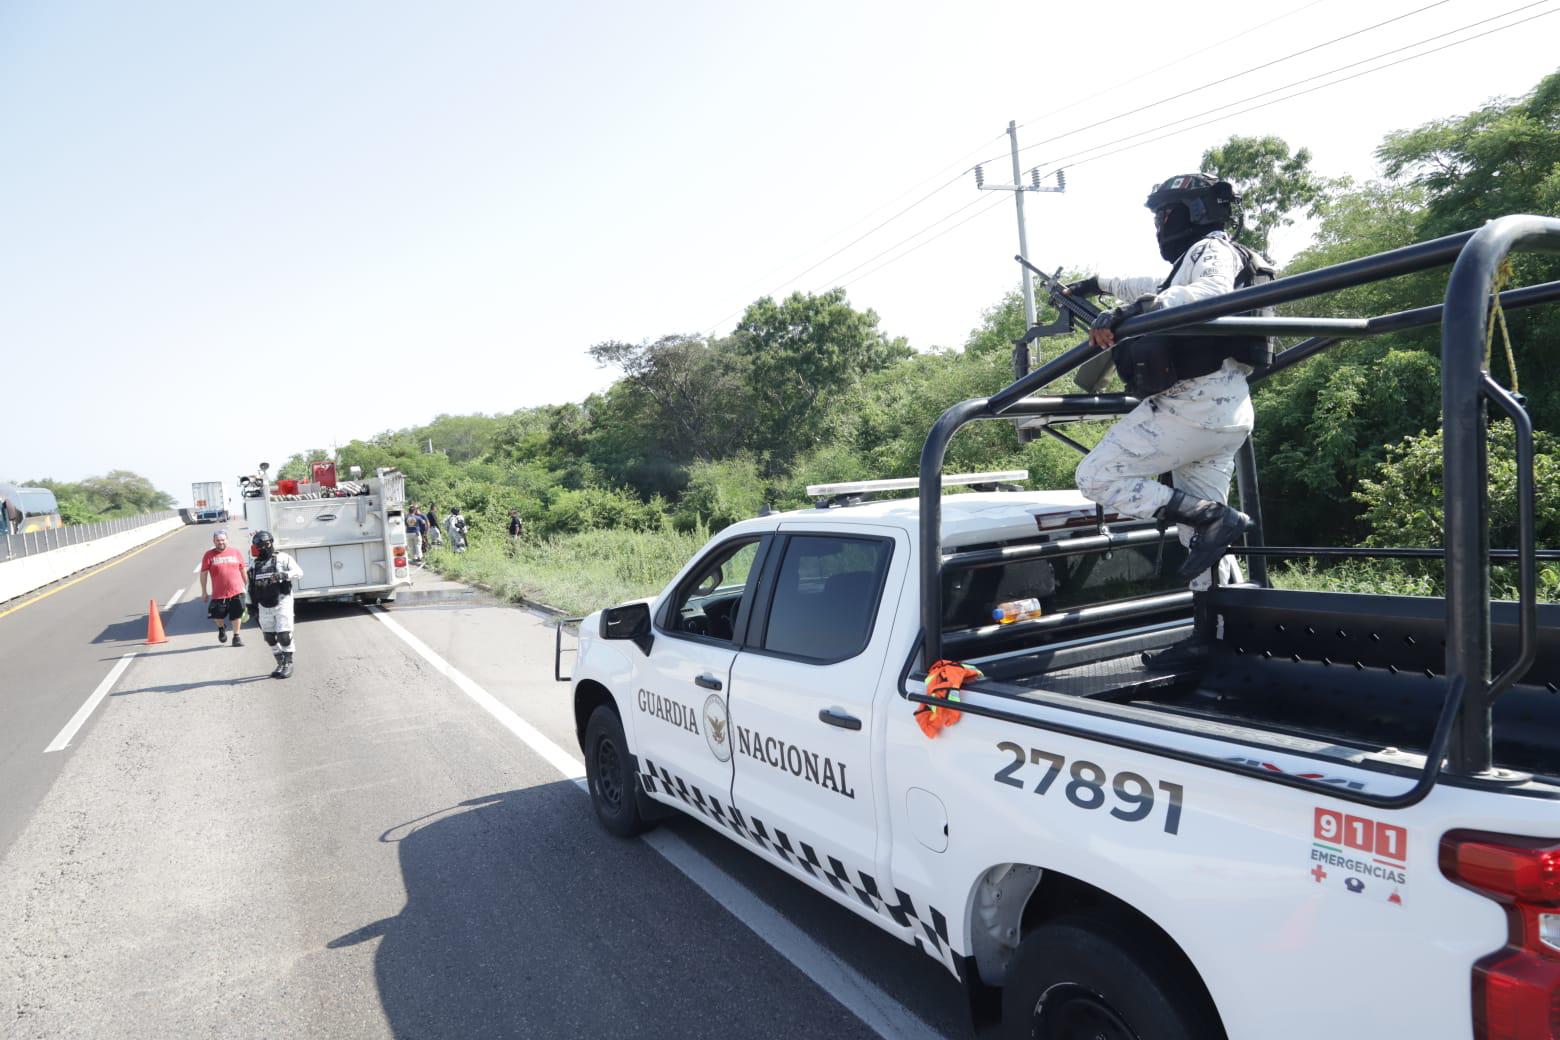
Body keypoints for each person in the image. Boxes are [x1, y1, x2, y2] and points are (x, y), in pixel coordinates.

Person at [1068, 174, 1272, 601]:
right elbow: (1150, 285)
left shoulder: (1210, 249)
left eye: (1164, 213)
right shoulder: (1197, 259)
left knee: (1097, 476)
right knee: (1198, 536)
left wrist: (1131, 312)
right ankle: (1215, 634)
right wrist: (1096, 285)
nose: (1159, 224)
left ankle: (1217, 517)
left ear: (1193, 210)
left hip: (1192, 406)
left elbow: (1210, 290)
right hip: (1225, 412)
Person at [247, 530, 304, 679]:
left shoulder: (283, 558)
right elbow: (250, 586)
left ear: (271, 543)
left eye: (266, 544)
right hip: (263, 604)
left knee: (284, 636)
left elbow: (299, 572)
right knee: (269, 637)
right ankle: (280, 661)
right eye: (260, 545)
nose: (264, 547)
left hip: (282, 601)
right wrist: (249, 604)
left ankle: (288, 663)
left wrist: (284, 575)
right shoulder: (254, 564)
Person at [199, 529, 249, 646]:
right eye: (218, 540)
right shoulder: (209, 555)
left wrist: (247, 584)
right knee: (217, 615)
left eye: (223, 540)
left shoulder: (235, 552)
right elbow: (204, 573)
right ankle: (221, 628)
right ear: (214, 541)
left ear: (227, 540)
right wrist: (204, 592)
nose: (221, 542)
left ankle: (236, 637)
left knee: (236, 614)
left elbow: (242, 569)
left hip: (237, 590)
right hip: (219, 593)